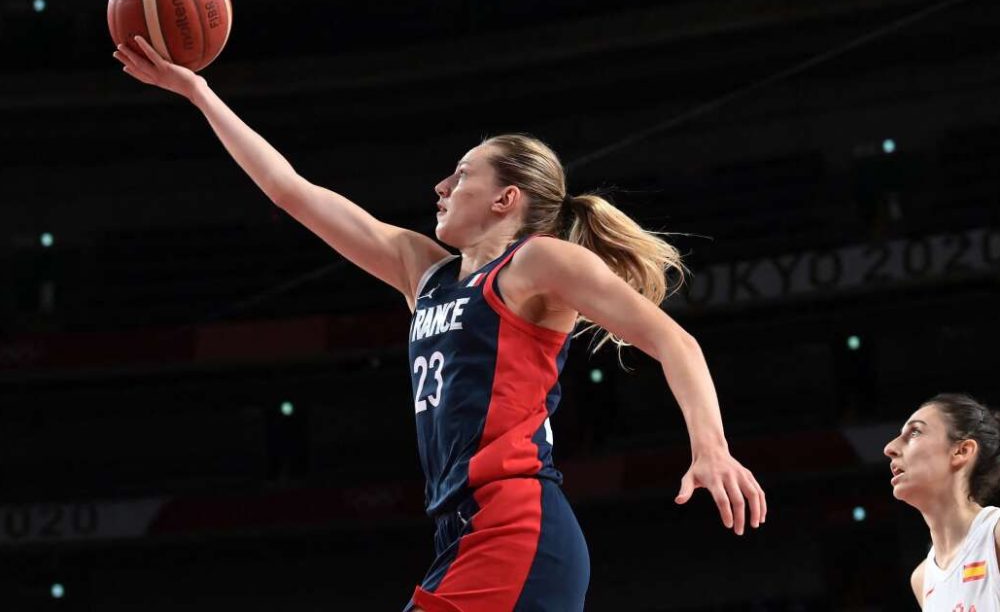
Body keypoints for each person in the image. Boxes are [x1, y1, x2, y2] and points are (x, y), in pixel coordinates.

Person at [113, 37, 767, 612]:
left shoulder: (536, 263)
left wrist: (710, 448)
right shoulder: (422, 272)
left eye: (460, 175)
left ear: (506, 200)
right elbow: (290, 189)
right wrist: (198, 93)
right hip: (462, 533)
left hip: (516, 527)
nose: (440, 187)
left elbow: (672, 340)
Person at [884, 393, 1000, 611]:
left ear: (961, 451)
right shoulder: (922, 578)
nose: (889, 448)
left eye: (915, 432)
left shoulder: (995, 534)